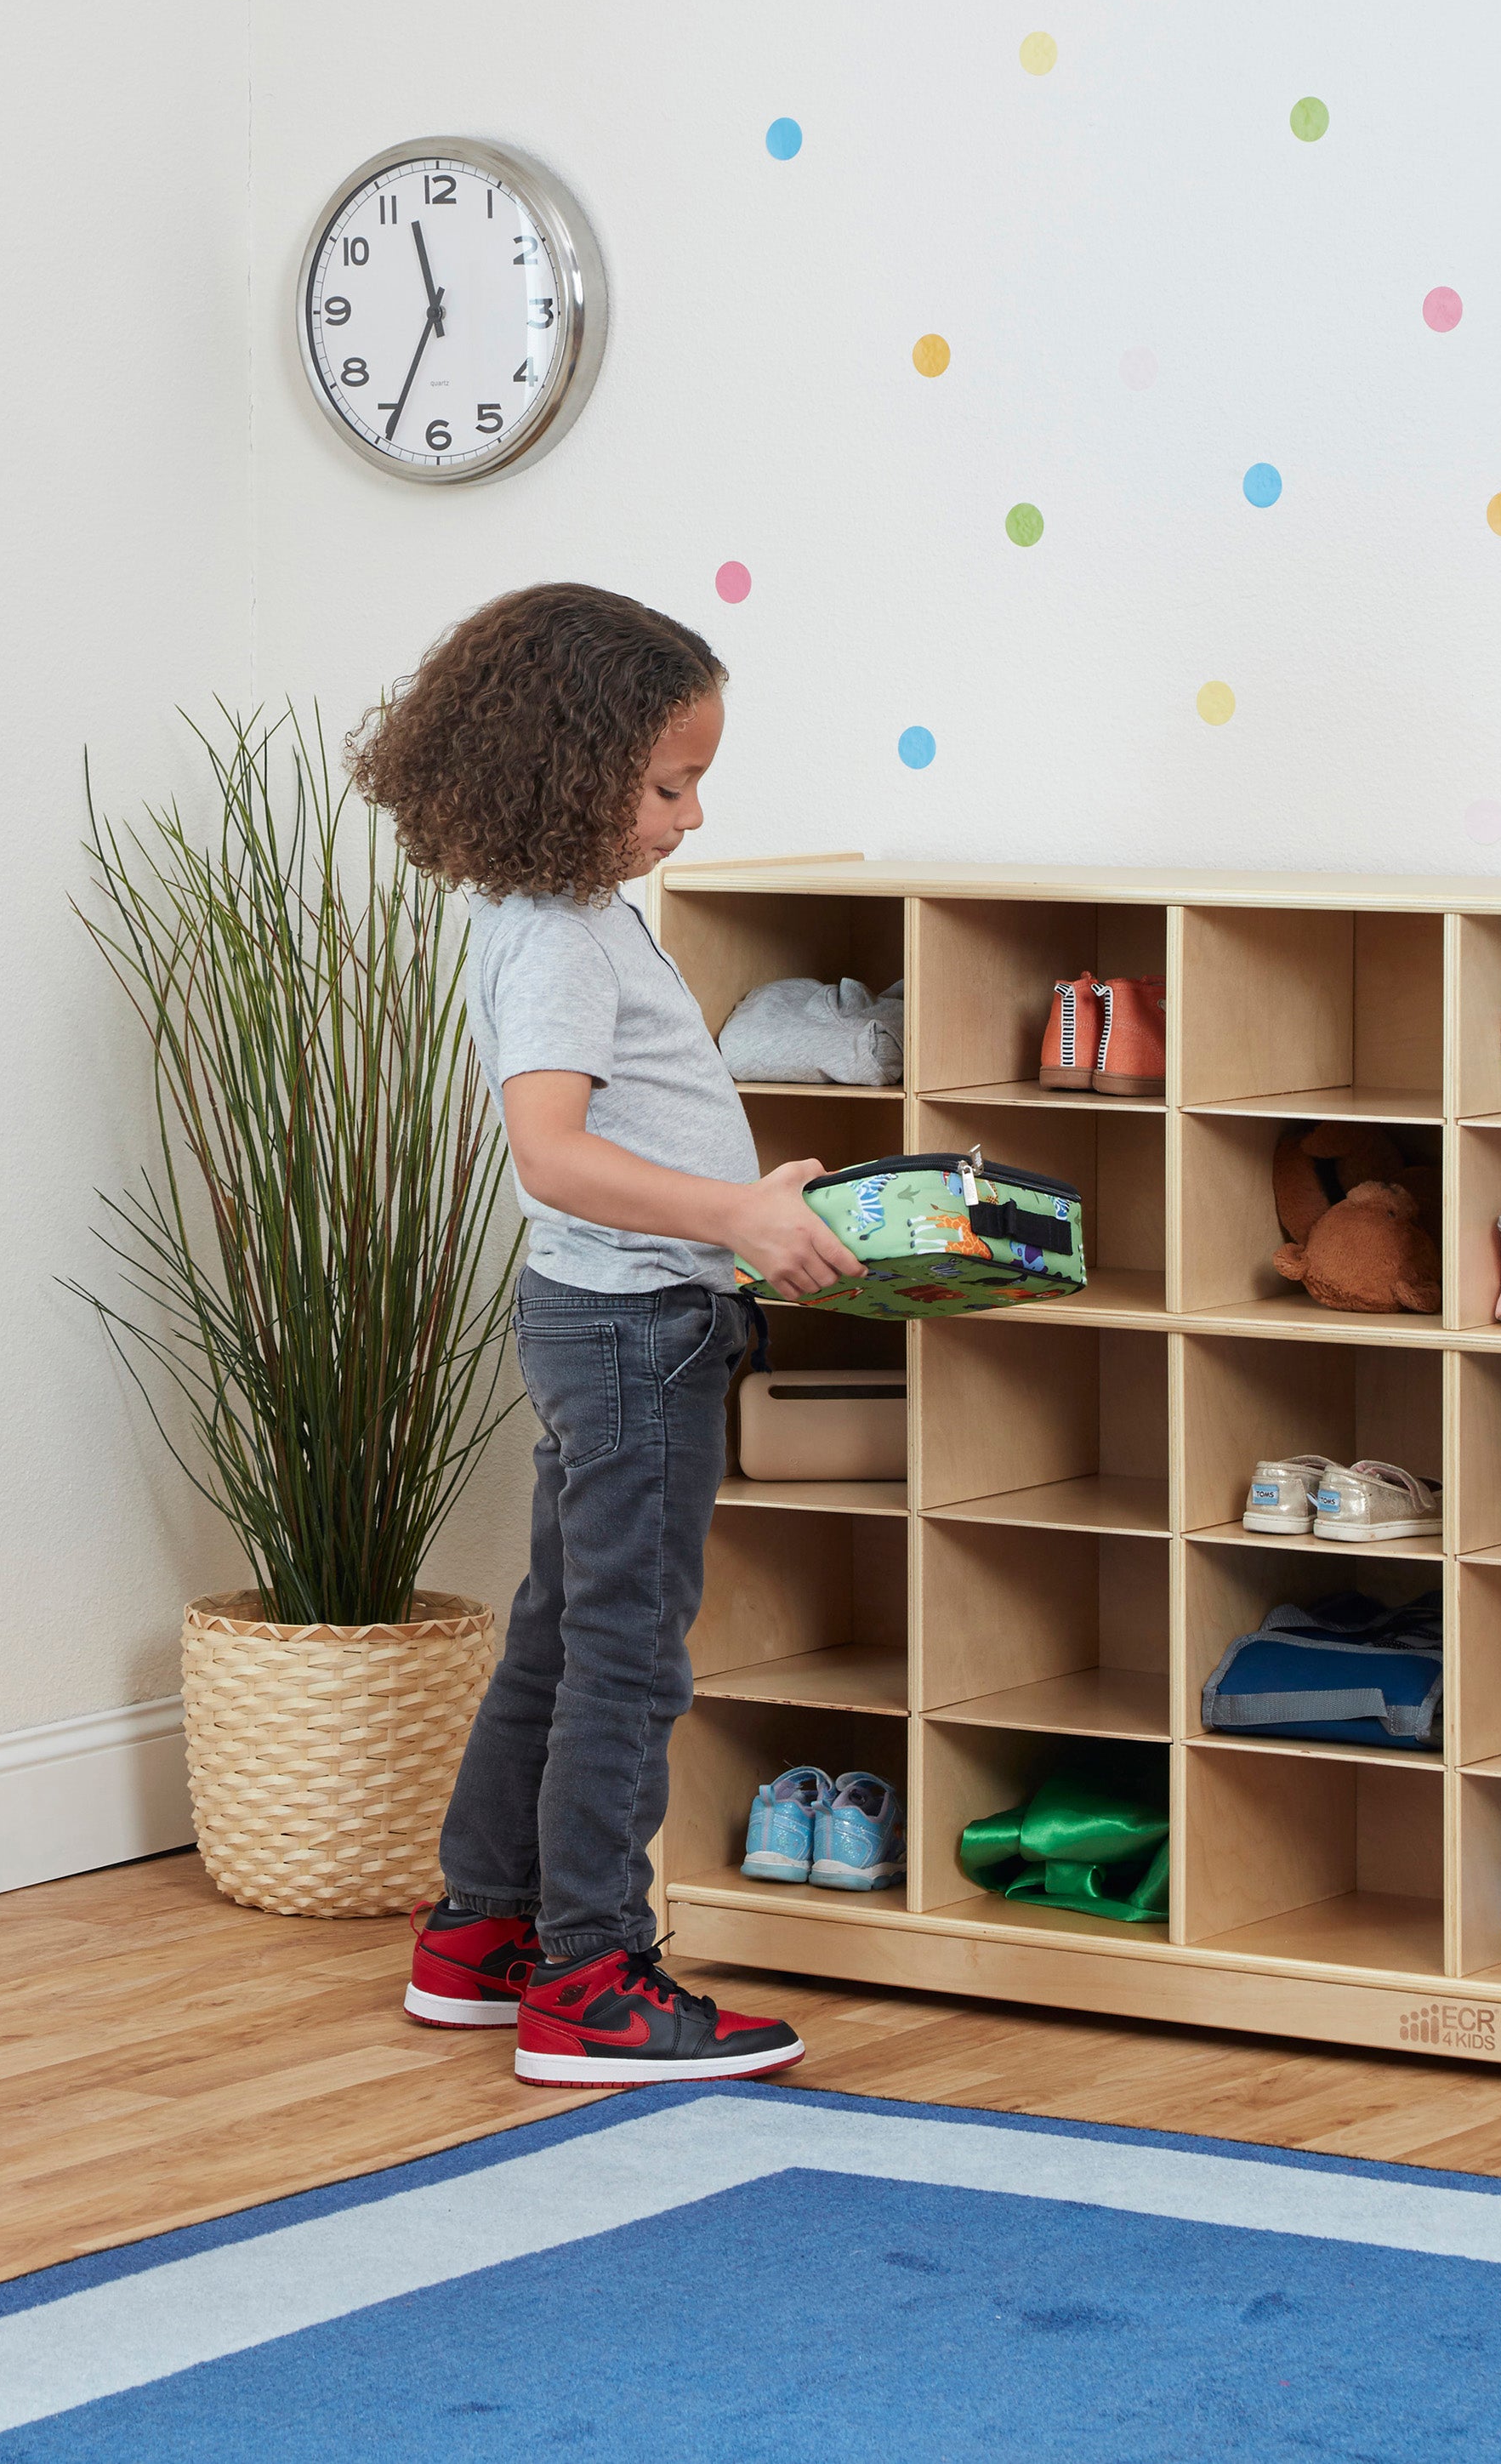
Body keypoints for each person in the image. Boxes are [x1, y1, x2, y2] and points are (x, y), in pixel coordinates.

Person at [349, 583, 861, 2084]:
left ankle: (485, 1932)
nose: (690, 818)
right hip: (639, 1330)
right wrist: (736, 1220)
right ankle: (592, 1979)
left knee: (566, 1629)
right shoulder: (564, 939)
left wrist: (742, 1199)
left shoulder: (545, 914)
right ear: (564, 771)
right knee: (630, 1660)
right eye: (669, 785)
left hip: (607, 1315)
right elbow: (553, 1152)